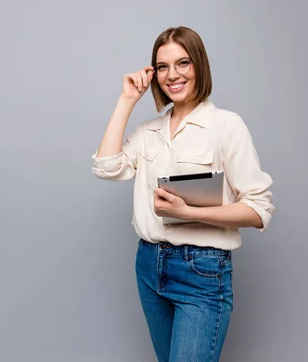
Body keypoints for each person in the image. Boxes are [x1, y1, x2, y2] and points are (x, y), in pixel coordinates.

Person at [91, 26, 275, 362]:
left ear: (199, 66)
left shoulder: (226, 126)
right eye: (163, 67)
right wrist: (126, 101)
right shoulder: (149, 132)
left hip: (202, 271)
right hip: (149, 265)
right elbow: (106, 166)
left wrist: (191, 212)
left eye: (183, 63)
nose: (172, 75)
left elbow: (258, 209)